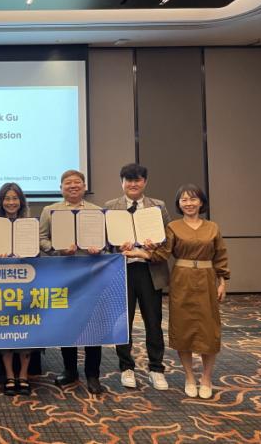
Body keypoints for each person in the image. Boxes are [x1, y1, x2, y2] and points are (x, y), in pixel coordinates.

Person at [123, 184, 229, 399]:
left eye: (193, 199)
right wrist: (139, 253)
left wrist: (222, 282)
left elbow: (220, 256)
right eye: (184, 200)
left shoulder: (212, 227)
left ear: (201, 202)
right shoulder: (173, 227)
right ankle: (189, 377)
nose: (189, 204)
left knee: (209, 330)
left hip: (207, 280)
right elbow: (162, 254)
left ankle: (206, 378)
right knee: (183, 328)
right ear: (179, 204)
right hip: (182, 280)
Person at [105, 163, 171, 390]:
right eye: (128, 180)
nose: (133, 184)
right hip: (122, 270)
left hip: (149, 270)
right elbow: (105, 244)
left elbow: (168, 240)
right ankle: (126, 367)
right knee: (123, 322)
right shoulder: (110, 207)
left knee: (153, 321)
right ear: (122, 182)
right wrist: (116, 247)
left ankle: (156, 368)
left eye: (138, 180)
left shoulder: (158, 206)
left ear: (145, 182)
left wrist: (155, 246)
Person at [39, 170, 104, 394]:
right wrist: (57, 249)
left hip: (91, 275)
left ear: (84, 187)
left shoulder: (97, 211)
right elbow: (42, 239)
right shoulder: (50, 211)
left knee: (93, 323)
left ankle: (93, 374)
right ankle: (70, 370)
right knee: (67, 322)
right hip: (64, 275)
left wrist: (100, 248)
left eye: (77, 182)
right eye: (68, 183)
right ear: (61, 188)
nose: (73, 186)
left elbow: (107, 242)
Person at [0, 182, 33, 396]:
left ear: (21, 201)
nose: (11, 202)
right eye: (7, 198)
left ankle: (24, 374)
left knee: (26, 326)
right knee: (6, 327)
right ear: (1, 202)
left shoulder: (29, 223)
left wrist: (29, 253)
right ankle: (10, 374)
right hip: (2, 283)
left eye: (15, 198)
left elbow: (36, 252)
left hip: (25, 282)